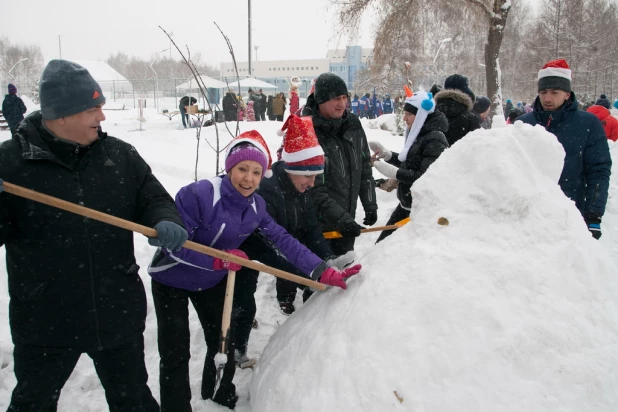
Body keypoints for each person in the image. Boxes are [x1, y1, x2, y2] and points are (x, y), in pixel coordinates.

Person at [0, 59, 188, 412]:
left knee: (133, 400)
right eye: (92, 109)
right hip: (45, 318)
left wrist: (165, 218)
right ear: (61, 115)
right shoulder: (11, 164)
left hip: (115, 308)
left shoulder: (119, 155)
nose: (101, 117)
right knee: (33, 402)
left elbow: (153, 197)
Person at [147, 130, 361, 411]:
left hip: (211, 281)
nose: (248, 178)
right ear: (229, 168)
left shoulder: (255, 206)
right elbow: (175, 247)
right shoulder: (198, 194)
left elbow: (284, 241)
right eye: (242, 169)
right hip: (172, 278)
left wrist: (323, 271)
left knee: (223, 342)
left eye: (256, 172)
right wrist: (218, 260)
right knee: (175, 351)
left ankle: (218, 397)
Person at [233, 116, 337, 367]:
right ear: (294, 171)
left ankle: (237, 342)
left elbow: (311, 227)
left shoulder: (300, 189)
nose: (312, 184)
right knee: (241, 301)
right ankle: (234, 352)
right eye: (308, 177)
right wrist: (311, 273)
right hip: (241, 250)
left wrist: (327, 259)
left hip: (272, 245)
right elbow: (274, 241)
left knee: (244, 303)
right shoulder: (267, 190)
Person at [518, 59, 611, 239]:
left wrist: (593, 215)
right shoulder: (523, 123)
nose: (547, 98)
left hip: (570, 214)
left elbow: (598, 170)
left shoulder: (587, 123)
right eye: (543, 92)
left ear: (567, 94)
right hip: (529, 217)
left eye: (554, 92)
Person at [302, 73, 378, 255]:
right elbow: (312, 190)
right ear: (321, 100)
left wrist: (370, 204)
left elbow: (364, 167)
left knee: (345, 276)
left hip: (346, 223)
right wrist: (341, 220)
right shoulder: (307, 130)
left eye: (345, 97)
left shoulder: (352, 124)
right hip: (317, 228)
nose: (342, 104)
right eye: (336, 98)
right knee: (320, 278)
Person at [369, 90, 449, 242]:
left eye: (409, 114)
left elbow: (423, 176)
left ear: (421, 116)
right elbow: (410, 164)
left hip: (419, 211)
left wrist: (395, 173)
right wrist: (389, 156)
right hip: (406, 205)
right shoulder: (421, 134)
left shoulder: (434, 139)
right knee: (381, 248)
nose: (404, 118)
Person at [435, 73, 481, 146]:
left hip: (437, 155)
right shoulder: (470, 118)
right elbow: (478, 146)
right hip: (462, 156)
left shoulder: (432, 113)